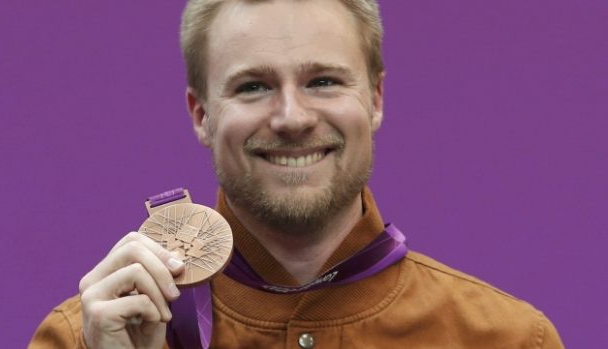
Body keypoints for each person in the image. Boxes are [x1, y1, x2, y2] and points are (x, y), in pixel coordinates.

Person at [30, 0, 564, 348]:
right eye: (253, 87)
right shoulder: (87, 337)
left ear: (375, 99)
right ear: (201, 115)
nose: (292, 118)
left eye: (325, 81)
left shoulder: (506, 339)